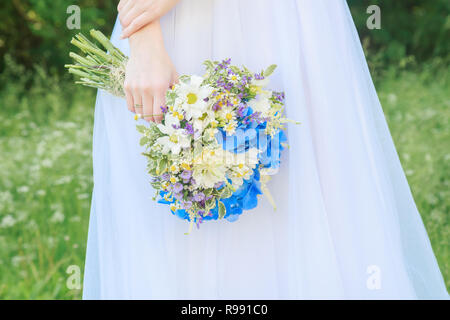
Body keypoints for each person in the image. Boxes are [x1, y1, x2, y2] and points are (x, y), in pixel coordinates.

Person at [82, 0, 448, 299]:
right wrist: (144, 38)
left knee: (307, 204)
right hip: (175, 27)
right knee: (177, 236)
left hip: (289, 28)